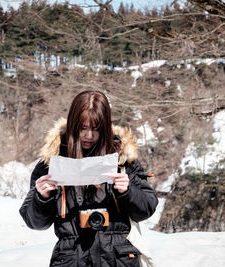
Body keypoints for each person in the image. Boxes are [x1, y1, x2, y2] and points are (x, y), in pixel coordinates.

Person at [19, 90, 158, 267]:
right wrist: (41, 197)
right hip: (71, 258)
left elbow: (147, 208)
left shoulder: (122, 158)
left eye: (96, 129)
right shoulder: (52, 162)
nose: (89, 135)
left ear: (105, 127)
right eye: (83, 128)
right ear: (72, 124)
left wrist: (128, 192)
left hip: (118, 259)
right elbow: (34, 223)